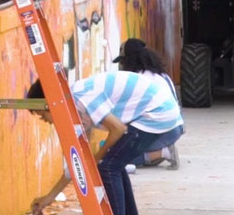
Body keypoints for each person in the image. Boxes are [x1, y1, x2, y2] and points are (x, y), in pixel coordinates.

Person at [26, 68, 184, 215]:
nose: (45, 121)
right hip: (159, 115)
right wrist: (49, 197)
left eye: (42, 115)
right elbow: (77, 163)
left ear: (50, 104)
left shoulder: (80, 98)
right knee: (114, 164)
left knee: (108, 166)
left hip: (158, 115)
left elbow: (118, 129)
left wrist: (98, 157)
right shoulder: (74, 111)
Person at [114, 38, 182, 169]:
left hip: (163, 130)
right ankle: (155, 153)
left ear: (130, 60)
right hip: (176, 127)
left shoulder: (138, 80)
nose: (121, 66)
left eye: (122, 61)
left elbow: (126, 117)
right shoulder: (161, 75)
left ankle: (164, 152)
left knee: (117, 158)